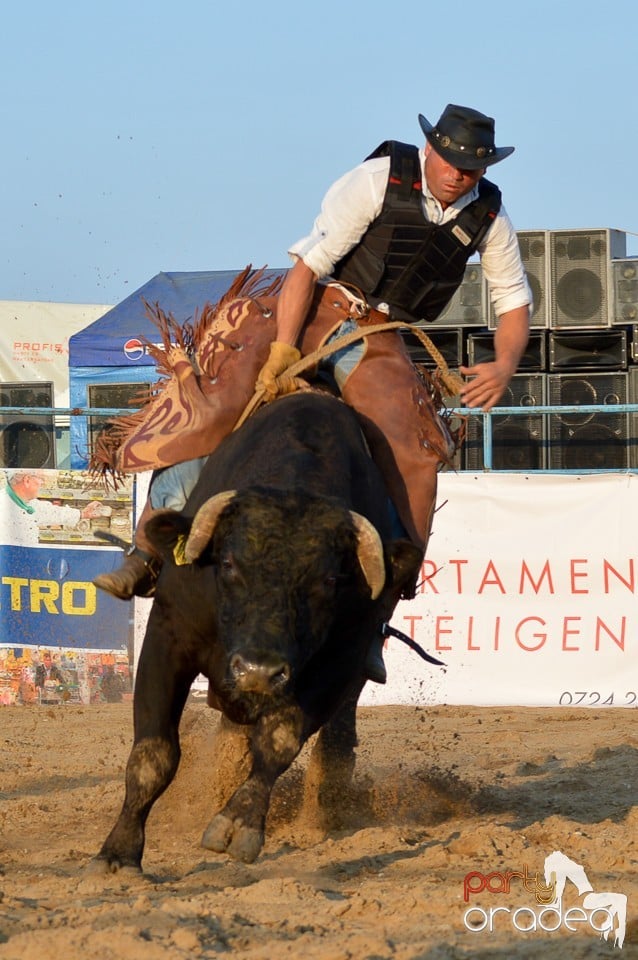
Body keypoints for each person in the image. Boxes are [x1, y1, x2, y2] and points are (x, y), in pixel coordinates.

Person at [94, 103, 531, 682]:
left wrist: (504, 364)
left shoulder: (489, 217)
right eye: (449, 160)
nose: (456, 175)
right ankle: (147, 552)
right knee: (220, 409)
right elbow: (306, 269)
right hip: (316, 304)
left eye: (469, 169)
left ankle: (378, 614)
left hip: (380, 335)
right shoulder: (377, 181)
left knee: (419, 458)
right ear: (430, 151)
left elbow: (513, 301)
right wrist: (281, 351)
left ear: (482, 172)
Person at [0, 470, 109, 547]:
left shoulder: (25, 503)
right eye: (41, 479)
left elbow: (50, 512)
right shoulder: (4, 507)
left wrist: (82, 514)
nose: (42, 484)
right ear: (27, 480)